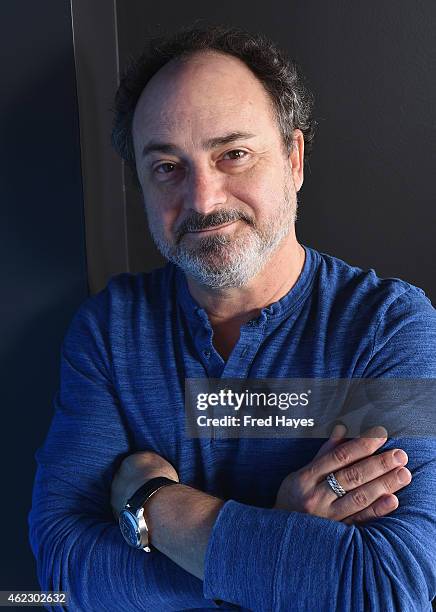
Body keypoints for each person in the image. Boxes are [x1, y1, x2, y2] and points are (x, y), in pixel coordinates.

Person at [28, 24, 436, 611]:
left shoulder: (390, 329)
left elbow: (390, 590)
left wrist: (154, 503)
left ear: (294, 159)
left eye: (234, 154)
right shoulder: (108, 333)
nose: (204, 199)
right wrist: (276, 533)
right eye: (167, 166)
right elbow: (61, 579)